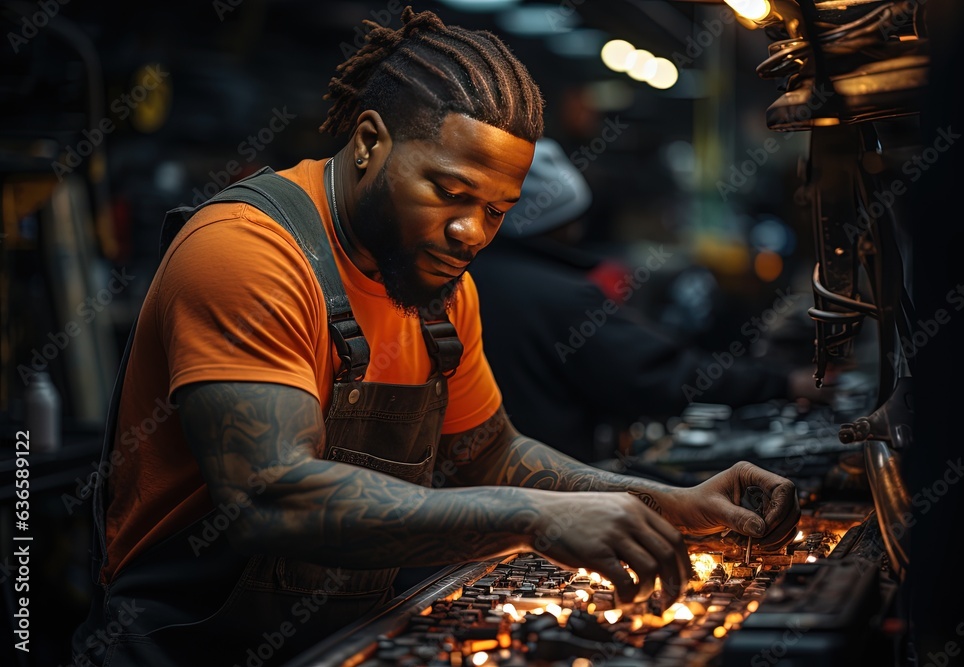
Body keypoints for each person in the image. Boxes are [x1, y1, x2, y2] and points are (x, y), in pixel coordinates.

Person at [71, 8, 801, 666]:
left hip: (337, 642)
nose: (472, 232)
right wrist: (536, 518)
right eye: (450, 194)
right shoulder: (248, 252)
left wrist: (672, 504)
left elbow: (489, 454)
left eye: (498, 209)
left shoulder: (440, 287)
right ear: (368, 142)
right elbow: (273, 495)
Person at [470, 138, 835, 463]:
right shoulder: (559, 296)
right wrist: (784, 383)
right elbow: (658, 374)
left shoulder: (474, 276)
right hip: (550, 485)